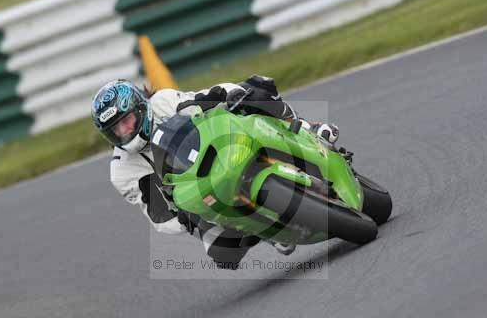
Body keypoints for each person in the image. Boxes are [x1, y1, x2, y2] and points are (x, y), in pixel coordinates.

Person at [91, 75, 340, 268]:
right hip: (196, 197)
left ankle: (307, 128)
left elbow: (205, 98)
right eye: (116, 130)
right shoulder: (122, 172)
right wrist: (184, 218)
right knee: (223, 252)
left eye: (126, 121)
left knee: (256, 89)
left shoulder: (162, 102)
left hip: (218, 148)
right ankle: (265, 230)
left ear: (140, 108)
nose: (124, 131)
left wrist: (230, 95)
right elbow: (157, 215)